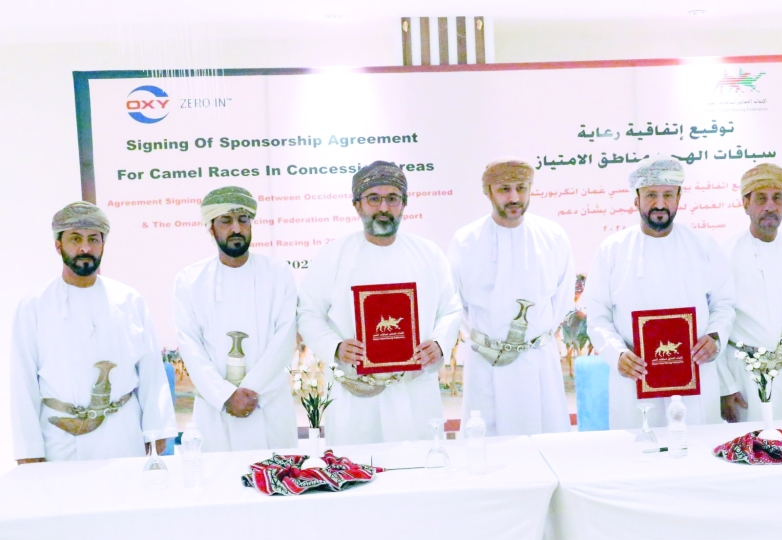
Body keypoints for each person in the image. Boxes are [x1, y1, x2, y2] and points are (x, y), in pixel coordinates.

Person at [297, 161, 461, 444]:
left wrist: (438, 344)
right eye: (374, 199)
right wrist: (335, 347)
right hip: (356, 392)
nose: (383, 208)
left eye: (392, 199)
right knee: (358, 471)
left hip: (413, 390)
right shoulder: (333, 256)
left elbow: (451, 309)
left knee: (418, 468)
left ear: (403, 205)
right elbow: (308, 314)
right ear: (357, 205)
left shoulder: (428, 254)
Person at [11, 202, 176, 463]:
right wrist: (29, 452)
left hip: (122, 433)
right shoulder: (34, 305)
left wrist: (156, 430)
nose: (84, 248)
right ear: (58, 245)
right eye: (75, 239)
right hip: (60, 439)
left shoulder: (128, 299)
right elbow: (23, 383)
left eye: (93, 240)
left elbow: (151, 371)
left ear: (103, 245)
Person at [584, 157, 736, 428]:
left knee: (696, 453)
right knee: (641, 456)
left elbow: (724, 304)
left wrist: (715, 337)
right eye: (651, 195)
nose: (660, 204)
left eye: (668, 195)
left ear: (679, 197)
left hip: (694, 375)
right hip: (635, 380)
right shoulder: (612, 250)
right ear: (636, 199)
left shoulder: (703, 245)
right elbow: (597, 317)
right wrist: (617, 354)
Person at [448, 159, 575, 436]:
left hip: (538, 361)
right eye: (505, 188)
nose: (514, 197)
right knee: (488, 447)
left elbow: (563, 299)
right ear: (489, 192)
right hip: (486, 363)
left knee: (548, 444)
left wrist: (532, 340)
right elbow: (456, 304)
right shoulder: (465, 240)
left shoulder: (552, 236)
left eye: (522, 188)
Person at [173, 186, 298, 452]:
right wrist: (225, 395)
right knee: (220, 485)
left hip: (269, 404)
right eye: (226, 221)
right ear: (211, 227)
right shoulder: (190, 280)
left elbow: (285, 338)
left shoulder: (278, 273)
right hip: (215, 409)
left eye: (243, 220)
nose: (236, 229)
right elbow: (190, 345)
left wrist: (250, 391)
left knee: (277, 481)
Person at [719, 164, 782, 423]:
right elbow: (714, 324)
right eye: (761, 198)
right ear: (745, 203)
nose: (770, 207)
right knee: (749, 450)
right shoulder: (724, 255)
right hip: (744, 376)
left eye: (777, 198)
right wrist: (724, 386)